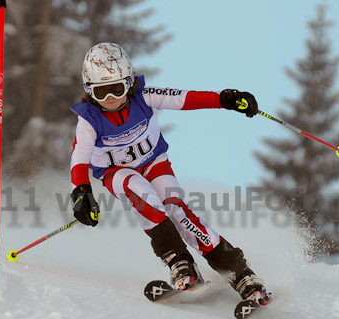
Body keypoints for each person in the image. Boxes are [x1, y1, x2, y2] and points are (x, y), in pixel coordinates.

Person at [69, 42, 270, 305]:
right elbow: (80, 157)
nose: (110, 99)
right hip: (116, 173)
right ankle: (180, 263)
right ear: (89, 91)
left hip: (153, 163)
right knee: (140, 193)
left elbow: (184, 99)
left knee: (176, 210)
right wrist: (81, 191)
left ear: (128, 83)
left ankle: (240, 273)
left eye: (116, 89)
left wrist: (224, 99)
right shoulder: (89, 119)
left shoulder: (143, 96)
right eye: (100, 92)